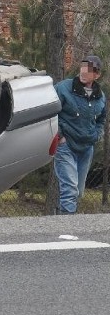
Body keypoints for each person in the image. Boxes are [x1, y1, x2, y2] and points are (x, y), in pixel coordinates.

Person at [53, 55, 106, 214]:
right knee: (69, 190)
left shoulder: (100, 96)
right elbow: (50, 113)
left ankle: (62, 219)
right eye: (83, 67)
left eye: (89, 70)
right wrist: (60, 136)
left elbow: (101, 119)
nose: (84, 72)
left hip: (86, 148)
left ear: (97, 75)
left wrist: (96, 135)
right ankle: (67, 230)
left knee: (77, 191)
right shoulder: (63, 88)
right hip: (65, 145)